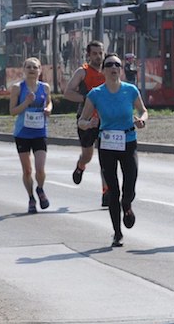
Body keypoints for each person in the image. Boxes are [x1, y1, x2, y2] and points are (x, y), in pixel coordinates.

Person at [77, 53, 148, 248]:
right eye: (109, 65)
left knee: (130, 184)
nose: (114, 68)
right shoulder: (96, 94)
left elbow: (143, 110)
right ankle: (117, 233)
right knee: (113, 190)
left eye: (117, 64)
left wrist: (142, 120)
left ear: (121, 69)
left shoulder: (130, 90)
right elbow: (82, 121)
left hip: (128, 141)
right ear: (103, 70)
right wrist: (89, 124)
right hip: (107, 144)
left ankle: (127, 204)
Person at [9, 57, 53, 214]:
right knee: (27, 170)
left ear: (40, 70)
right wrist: (26, 103)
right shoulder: (17, 88)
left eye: (35, 67)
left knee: (40, 169)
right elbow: (12, 111)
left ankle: (40, 189)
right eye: (29, 67)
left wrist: (48, 109)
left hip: (39, 132)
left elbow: (49, 102)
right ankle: (31, 198)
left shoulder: (45, 87)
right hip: (22, 133)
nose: (32, 70)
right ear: (24, 70)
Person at [63, 41, 106, 189]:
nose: (98, 56)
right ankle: (81, 165)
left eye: (100, 53)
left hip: (106, 120)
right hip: (86, 118)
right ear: (88, 55)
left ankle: (106, 192)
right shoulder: (82, 72)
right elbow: (68, 93)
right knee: (88, 155)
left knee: (106, 158)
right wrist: (87, 99)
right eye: (95, 53)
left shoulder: (108, 70)